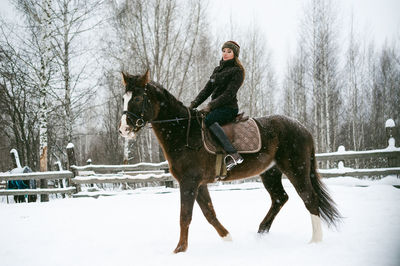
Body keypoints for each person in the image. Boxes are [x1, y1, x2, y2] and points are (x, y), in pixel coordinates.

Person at [190, 41, 245, 171]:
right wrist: (193, 104)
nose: (225, 54)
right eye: (224, 51)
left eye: (229, 51)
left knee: (209, 120)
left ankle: (234, 154)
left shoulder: (237, 71)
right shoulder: (217, 70)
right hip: (216, 107)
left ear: (234, 54)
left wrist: (210, 106)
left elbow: (229, 94)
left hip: (228, 108)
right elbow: (206, 90)